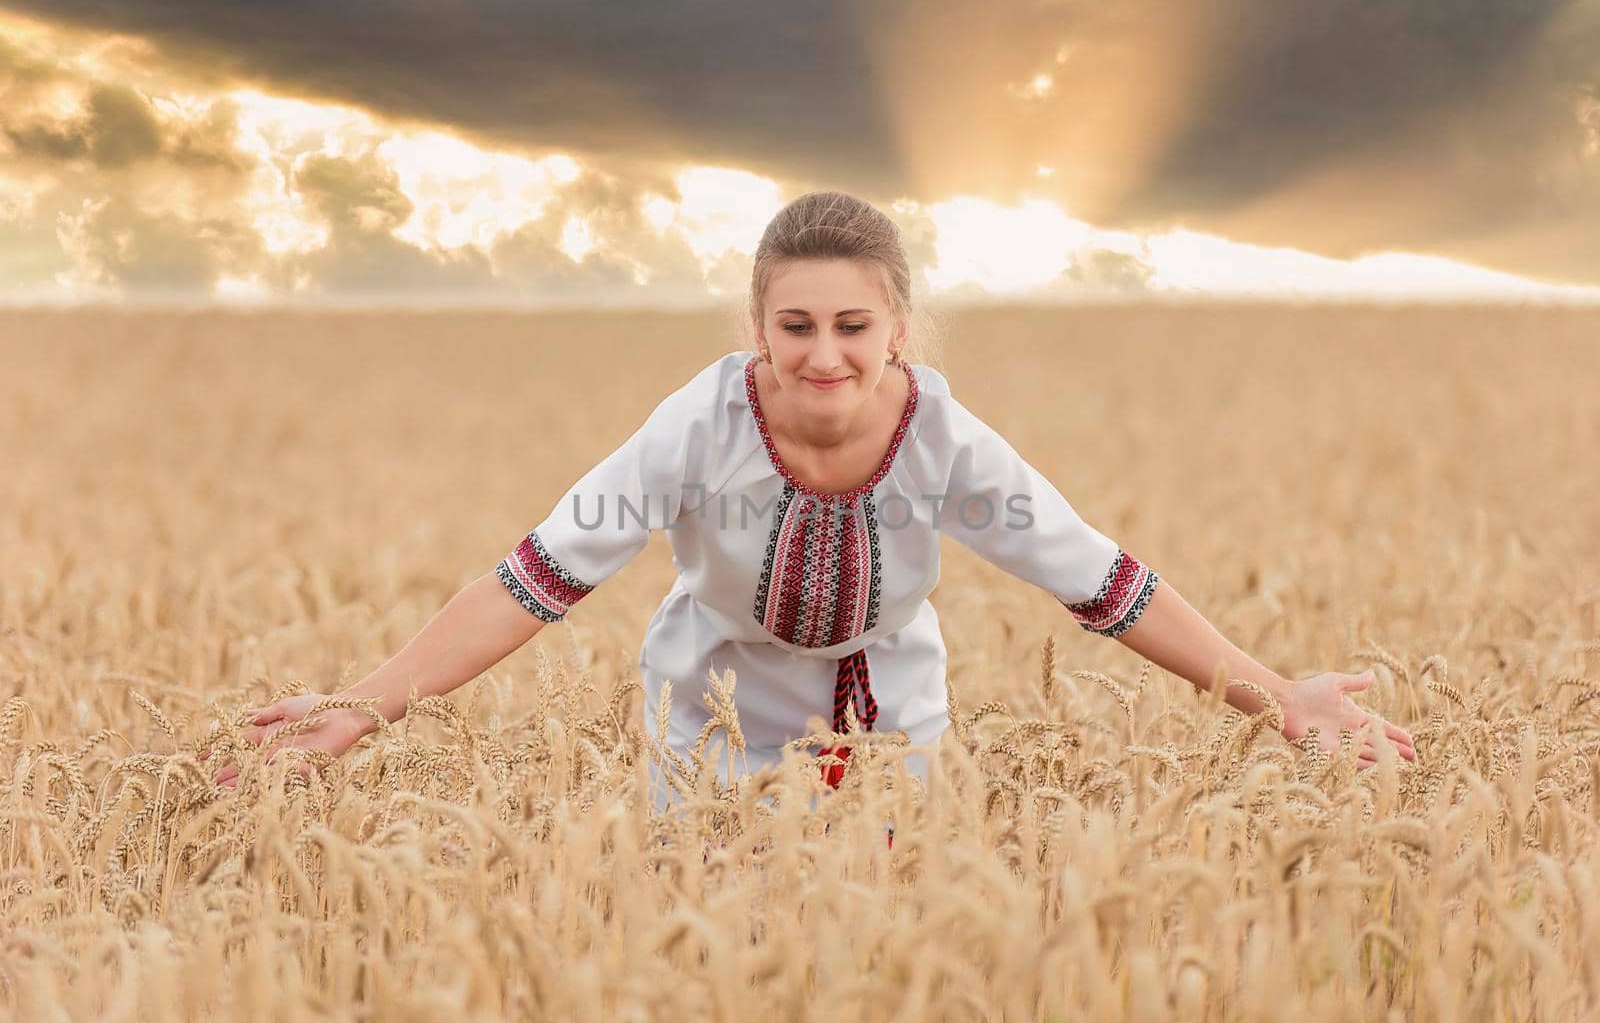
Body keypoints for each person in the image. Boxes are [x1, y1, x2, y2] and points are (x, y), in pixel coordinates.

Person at [210, 191, 1417, 818]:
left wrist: (1279, 699)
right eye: (796, 325)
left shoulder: (946, 441)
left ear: (897, 328)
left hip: (897, 718)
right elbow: (531, 583)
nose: (824, 354)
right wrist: (361, 706)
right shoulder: (696, 427)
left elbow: (1102, 583)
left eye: (852, 326)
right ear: (758, 329)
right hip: (711, 714)